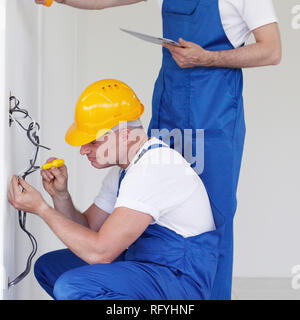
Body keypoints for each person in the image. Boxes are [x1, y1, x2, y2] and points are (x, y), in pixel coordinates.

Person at [34, 0, 282, 300]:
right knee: (147, 204)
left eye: (93, 141)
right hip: (171, 107)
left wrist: (206, 58)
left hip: (212, 117)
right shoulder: (138, 158)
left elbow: (272, 50)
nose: (86, 150)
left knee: (212, 221)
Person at [7, 79, 221, 300]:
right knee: (50, 267)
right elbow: (89, 228)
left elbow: (100, 252)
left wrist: (41, 208)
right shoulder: (126, 170)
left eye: (93, 142)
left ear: (126, 135)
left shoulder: (154, 168)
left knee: (72, 286)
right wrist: (60, 195)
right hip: (146, 264)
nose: (83, 150)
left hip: (178, 280)